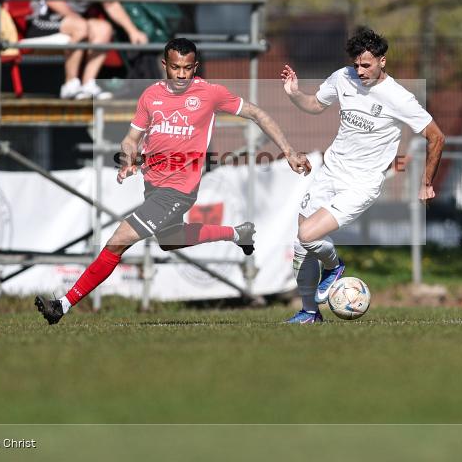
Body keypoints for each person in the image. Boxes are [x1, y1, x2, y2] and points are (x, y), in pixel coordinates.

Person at [36, 37, 312, 324]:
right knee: (170, 240)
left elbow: (256, 113)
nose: (182, 74)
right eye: (176, 68)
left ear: (196, 67)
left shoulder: (210, 93)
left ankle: (63, 304)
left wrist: (289, 151)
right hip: (153, 185)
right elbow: (131, 139)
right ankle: (237, 233)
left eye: (188, 68)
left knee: (118, 240)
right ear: (164, 65)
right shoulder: (150, 96)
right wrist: (127, 159)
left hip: (179, 189)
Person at [279, 26, 445, 324]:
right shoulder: (343, 77)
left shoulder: (399, 97)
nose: (359, 70)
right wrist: (294, 94)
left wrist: (426, 182)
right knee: (300, 244)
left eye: (366, 64)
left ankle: (334, 267)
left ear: (383, 60)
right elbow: (316, 105)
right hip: (330, 172)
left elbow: (436, 137)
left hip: (361, 184)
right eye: (356, 64)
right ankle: (309, 313)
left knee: (308, 235)